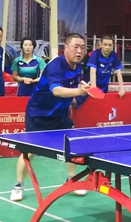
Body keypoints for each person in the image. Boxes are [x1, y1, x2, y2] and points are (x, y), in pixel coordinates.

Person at [11, 33, 91, 202]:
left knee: (71, 146)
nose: (79, 51)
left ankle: (72, 180)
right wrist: (79, 91)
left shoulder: (78, 66)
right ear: (65, 48)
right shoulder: (55, 67)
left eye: (82, 48)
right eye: (75, 47)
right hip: (39, 114)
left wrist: (76, 98)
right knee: (29, 152)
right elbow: (56, 90)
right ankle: (18, 185)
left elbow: (71, 86)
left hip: (60, 114)